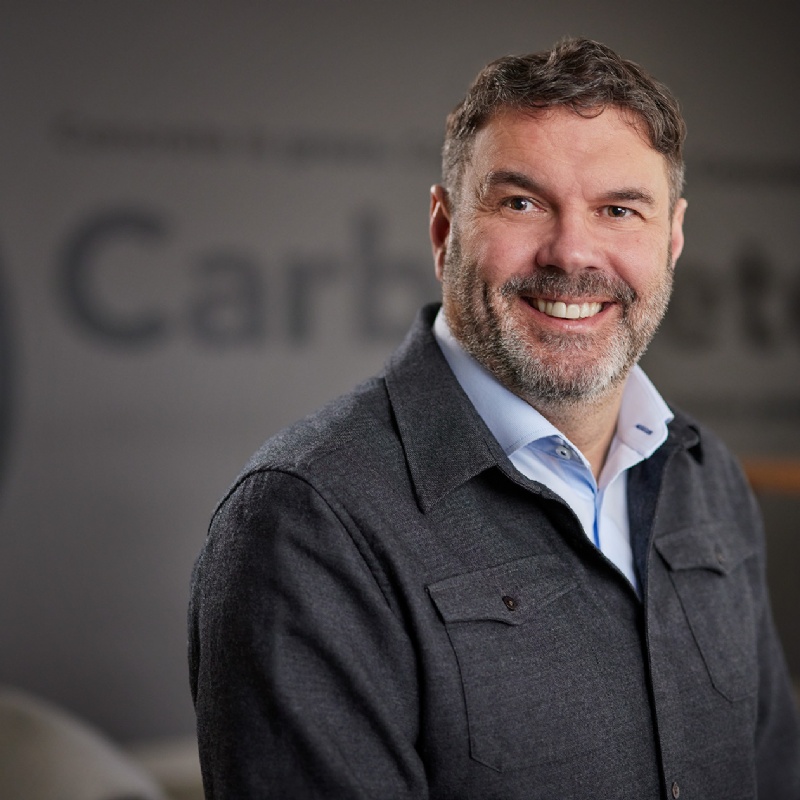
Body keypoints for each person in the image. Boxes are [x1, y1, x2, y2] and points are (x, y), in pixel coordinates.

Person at [188, 37, 800, 798]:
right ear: (444, 229)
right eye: (521, 203)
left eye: (618, 210)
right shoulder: (306, 522)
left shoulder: (708, 479)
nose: (572, 252)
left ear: (671, 240)